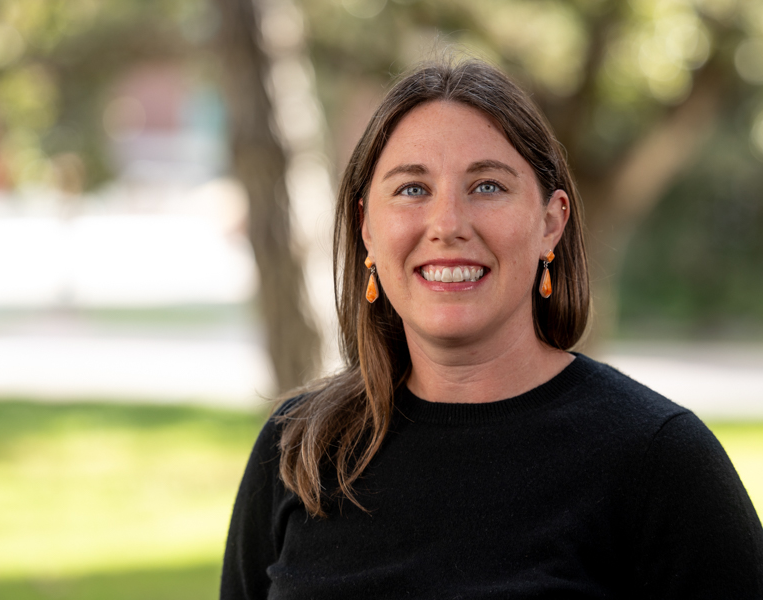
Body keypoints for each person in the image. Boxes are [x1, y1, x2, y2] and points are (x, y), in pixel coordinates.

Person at [220, 58, 763, 599]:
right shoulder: (300, 449)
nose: (448, 225)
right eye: (412, 189)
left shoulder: (658, 460)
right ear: (366, 227)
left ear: (551, 223)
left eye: (486, 186)